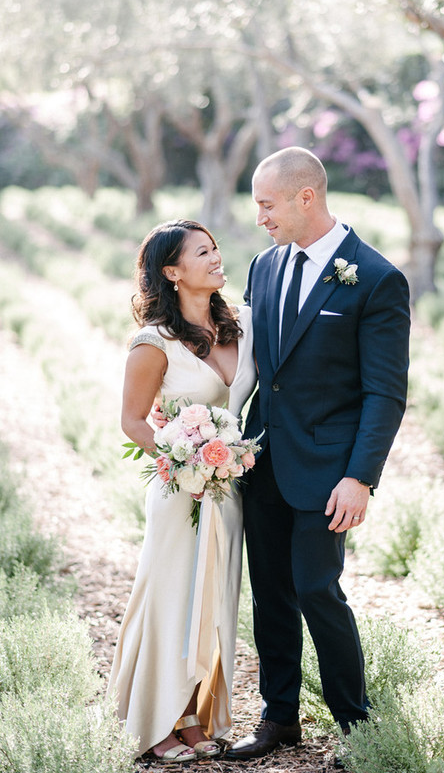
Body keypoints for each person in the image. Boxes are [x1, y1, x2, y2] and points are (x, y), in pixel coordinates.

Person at [225, 147, 410, 761]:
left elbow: (385, 393)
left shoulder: (377, 278)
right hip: (265, 461)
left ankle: (358, 727)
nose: (261, 219)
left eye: (267, 205)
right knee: (270, 593)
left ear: (307, 197)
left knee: (317, 591)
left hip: (331, 472)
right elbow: (260, 370)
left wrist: (361, 477)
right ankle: (279, 719)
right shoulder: (265, 265)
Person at [107, 219, 257, 763]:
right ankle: (154, 722)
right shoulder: (154, 343)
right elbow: (132, 421)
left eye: (216, 248)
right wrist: (185, 460)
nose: (217, 257)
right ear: (172, 272)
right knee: (172, 599)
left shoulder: (243, 324)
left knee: (214, 602)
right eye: (202, 252)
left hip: (229, 488)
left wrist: (222, 465)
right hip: (180, 493)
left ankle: (194, 716)